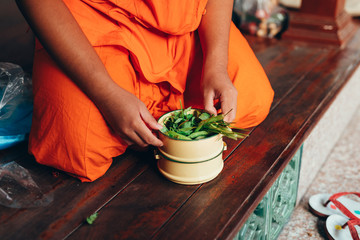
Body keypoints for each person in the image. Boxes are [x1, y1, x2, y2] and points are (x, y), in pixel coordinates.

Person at [16, 0, 274, 182]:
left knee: (252, 102)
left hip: (185, 20)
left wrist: (216, 66)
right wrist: (107, 95)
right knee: (77, 154)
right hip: (91, 21)